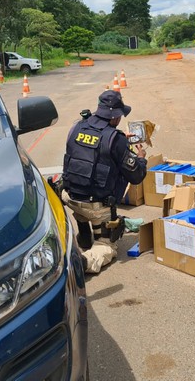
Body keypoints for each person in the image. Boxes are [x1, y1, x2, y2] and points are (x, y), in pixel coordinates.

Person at [62, 90, 147, 273]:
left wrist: (119, 140)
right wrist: (140, 157)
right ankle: (83, 262)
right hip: (95, 207)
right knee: (108, 247)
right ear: (115, 116)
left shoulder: (77, 127)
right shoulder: (115, 140)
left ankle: (84, 234)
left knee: (85, 185)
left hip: (70, 199)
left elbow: (90, 148)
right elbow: (137, 176)